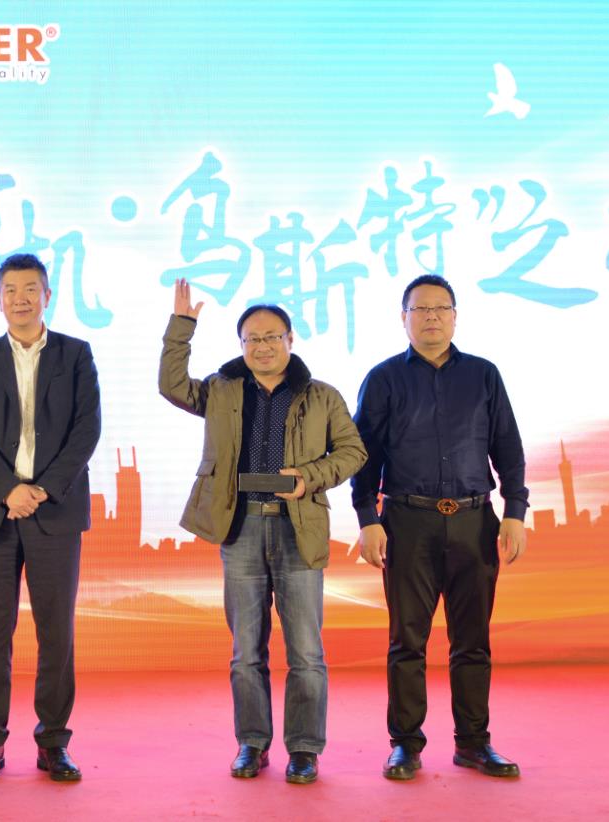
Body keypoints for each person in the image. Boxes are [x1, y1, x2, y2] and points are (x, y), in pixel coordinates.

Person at [159, 280, 367, 784]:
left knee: (306, 652)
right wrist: (181, 327)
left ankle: (304, 749)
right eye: (253, 339)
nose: (263, 346)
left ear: (291, 339)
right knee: (245, 652)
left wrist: (309, 477)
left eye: (273, 336)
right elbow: (171, 385)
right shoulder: (222, 389)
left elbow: (353, 452)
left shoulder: (321, 396)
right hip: (242, 529)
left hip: (299, 529)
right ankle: (251, 743)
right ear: (242, 345)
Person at [351, 274, 527, 781]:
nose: (431, 316)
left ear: (455, 316)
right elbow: (364, 456)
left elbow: (508, 446)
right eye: (420, 309)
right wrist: (368, 519)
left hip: (474, 520)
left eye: (440, 308)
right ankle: (405, 745)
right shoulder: (384, 379)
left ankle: (473, 743)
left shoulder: (484, 375)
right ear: (403, 317)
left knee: (473, 640)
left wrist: (515, 511)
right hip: (408, 522)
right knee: (407, 640)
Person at [0, 253, 101, 782]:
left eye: (30, 289)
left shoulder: (76, 354)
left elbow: (86, 430)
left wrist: (39, 489)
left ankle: (53, 742)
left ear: (47, 295)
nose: (21, 299)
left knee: (56, 631)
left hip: (54, 511)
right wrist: (8, 491)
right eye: (11, 290)